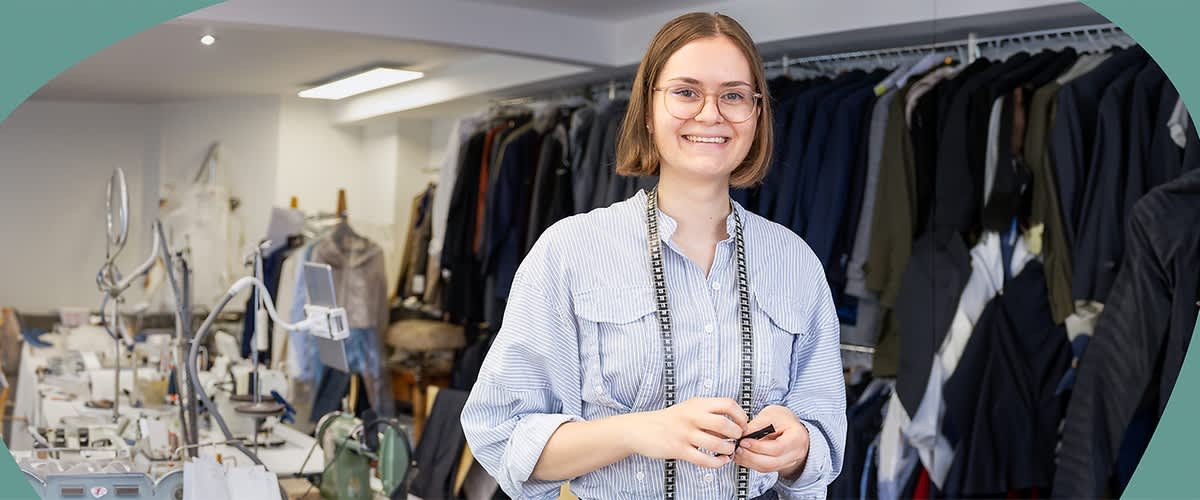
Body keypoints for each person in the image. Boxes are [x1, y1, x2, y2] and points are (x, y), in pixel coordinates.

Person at [461, 12, 846, 499]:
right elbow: (503, 438)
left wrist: (798, 448)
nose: (711, 114)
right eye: (686, 92)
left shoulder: (795, 262)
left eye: (733, 95)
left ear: (756, 114)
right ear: (647, 109)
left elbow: (823, 436)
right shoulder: (570, 251)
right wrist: (637, 431)